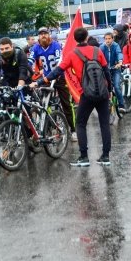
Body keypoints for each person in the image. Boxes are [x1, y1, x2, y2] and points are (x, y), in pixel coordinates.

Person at [37, 27, 111, 167]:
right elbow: (106, 72)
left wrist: (41, 81)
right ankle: (106, 156)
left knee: (80, 124)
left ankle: (84, 157)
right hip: (102, 93)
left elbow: (57, 71)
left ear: (74, 39)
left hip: (86, 94)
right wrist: (110, 90)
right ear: (87, 36)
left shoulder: (72, 54)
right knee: (104, 124)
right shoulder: (98, 51)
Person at [28, 27, 75, 132]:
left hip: (59, 77)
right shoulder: (36, 47)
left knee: (66, 103)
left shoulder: (55, 45)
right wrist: (25, 70)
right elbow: (30, 60)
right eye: (41, 34)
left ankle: (73, 129)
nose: (43, 35)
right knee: (42, 102)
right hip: (46, 78)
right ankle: (50, 123)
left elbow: (59, 62)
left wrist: (57, 73)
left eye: (45, 33)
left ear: (49, 35)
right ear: (38, 36)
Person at [100, 32, 125, 111]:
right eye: (106, 39)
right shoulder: (102, 47)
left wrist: (120, 62)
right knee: (105, 89)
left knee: (117, 87)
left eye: (109, 38)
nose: (107, 40)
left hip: (115, 69)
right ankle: (106, 107)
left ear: (112, 39)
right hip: (105, 71)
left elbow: (119, 53)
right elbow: (99, 57)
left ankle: (121, 105)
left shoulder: (116, 45)